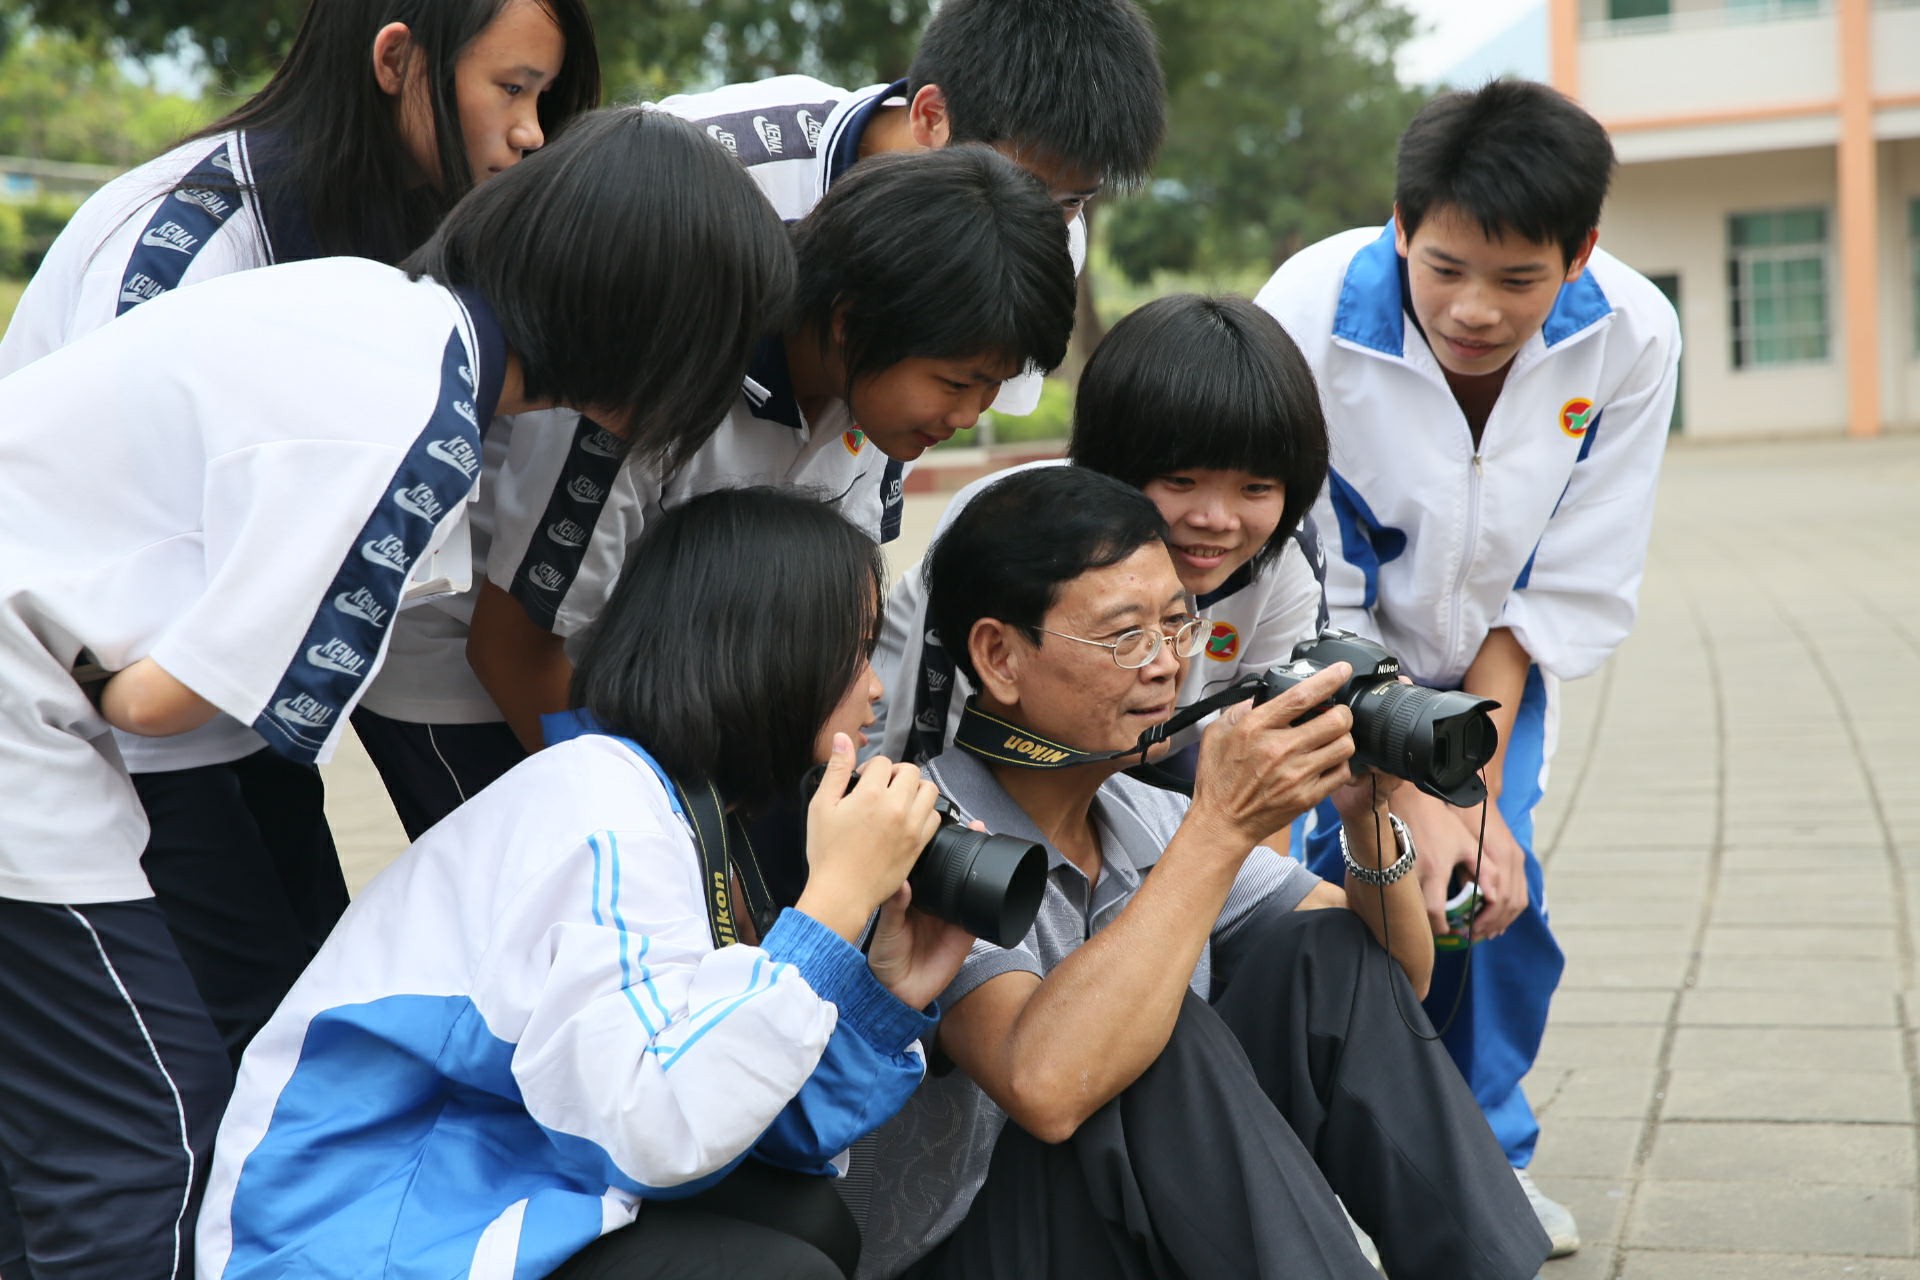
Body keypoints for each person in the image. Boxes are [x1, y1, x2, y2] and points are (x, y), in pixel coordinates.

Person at [0, 106, 791, 1280]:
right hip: (27, 738)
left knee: (85, 1123)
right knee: (149, 1144)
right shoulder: (418, 427)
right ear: (649, 323)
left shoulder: (379, 315)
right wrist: (94, 657)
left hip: (36, 714)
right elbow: (162, 703)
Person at [0, 0, 599, 1076]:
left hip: (224, 712)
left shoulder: (409, 233)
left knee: (305, 1025)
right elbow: (123, 621)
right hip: (97, 728)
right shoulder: (186, 246)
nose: (531, 135)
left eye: (544, 101)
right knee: (188, 1083)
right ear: (396, 59)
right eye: (511, 89)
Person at [195, 487, 972, 1280]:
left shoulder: (682, 811)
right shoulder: (602, 812)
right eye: (858, 651)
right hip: (354, 1233)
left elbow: (750, 1123)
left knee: (803, 1219)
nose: (876, 690)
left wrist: (887, 996)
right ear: (771, 646)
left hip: (490, 1175)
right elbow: (661, 1128)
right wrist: (834, 904)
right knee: (773, 1266)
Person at [852, 467, 1549, 1279]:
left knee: (1320, 953)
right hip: (972, 1247)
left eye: (1179, 626)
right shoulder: (920, 829)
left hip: (1117, 1224)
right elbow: (1043, 1084)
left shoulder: (1137, 813)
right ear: (999, 656)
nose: (1166, 666)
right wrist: (1220, 826)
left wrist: (1367, 814)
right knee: (1155, 1032)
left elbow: (1394, 981)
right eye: (1125, 637)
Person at [1255, 78, 1682, 1257]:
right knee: (1338, 895)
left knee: (1489, 889)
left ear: (1580, 253)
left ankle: (1485, 1153)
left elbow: (1573, 578)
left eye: (1517, 279)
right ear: (1399, 225)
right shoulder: (1307, 311)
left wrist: (1467, 786)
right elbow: (1298, 574)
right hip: (1325, 657)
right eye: (1443, 267)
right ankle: (1327, 1159)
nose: (1475, 310)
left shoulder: (1633, 333)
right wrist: (1391, 778)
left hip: (1498, 661)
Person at [355, 144, 1077, 828]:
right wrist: (656, 831)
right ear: (852, 324)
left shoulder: (883, 407)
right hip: (477, 677)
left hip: (654, 699)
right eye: (955, 383)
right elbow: (513, 648)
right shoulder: (678, 359)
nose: (965, 415)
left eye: (991, 388)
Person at [867, 294, 1329, 771]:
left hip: (1140, 770)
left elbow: (1264, 756)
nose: (1217, 519)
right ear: (1106, 463)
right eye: (1180, 481)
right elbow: (936, 755)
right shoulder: (1010, 530)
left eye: (1255, 487)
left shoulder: (1283, 553)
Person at [655, 0, 1165, 414]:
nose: (1043, 225)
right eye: (1025, 183)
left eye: (1074, 199)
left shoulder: (1049, 240)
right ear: (932, 115)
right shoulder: (719, 172)